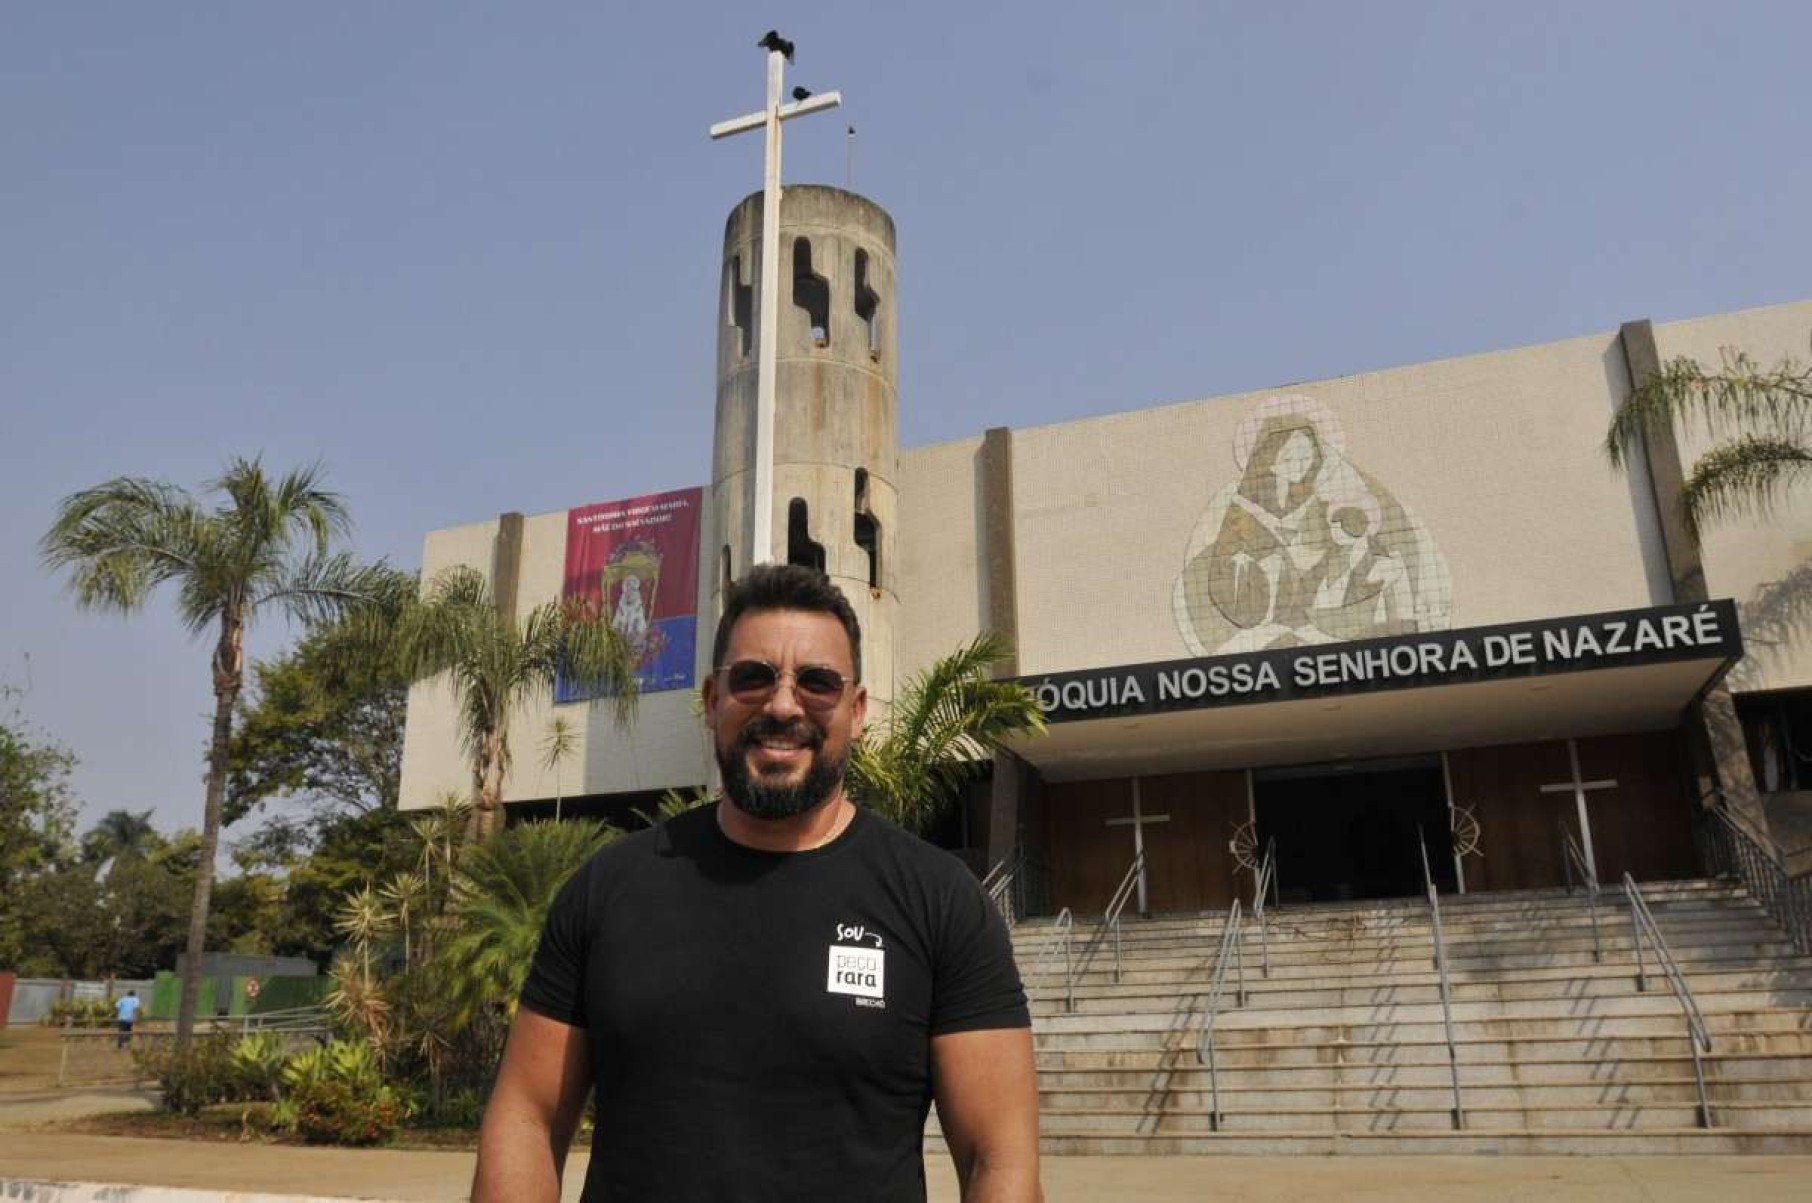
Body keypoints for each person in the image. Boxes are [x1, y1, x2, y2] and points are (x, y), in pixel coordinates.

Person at [473, 564, 1041, 1203]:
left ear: (855, 712)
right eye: (753, 677)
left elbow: (1000, 1160)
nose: (781, 704)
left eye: (817, 682)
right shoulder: (608, 888)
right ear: (713, 701)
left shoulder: (941, 901)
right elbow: (526, 1117)